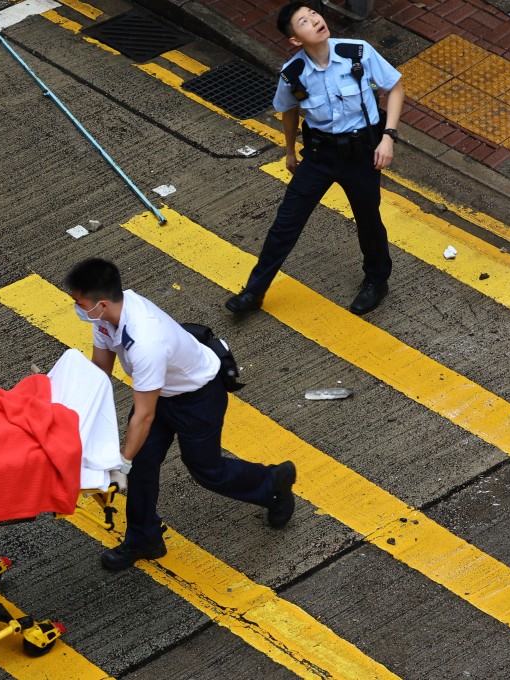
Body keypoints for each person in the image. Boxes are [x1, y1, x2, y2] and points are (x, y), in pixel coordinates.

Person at [66, 258, 297, 571]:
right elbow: (100, 372)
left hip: (197, 398)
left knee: (206, 470)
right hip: (160, 393)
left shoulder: (145, 341)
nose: (77, 307)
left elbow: (143, 416)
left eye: (79, 302)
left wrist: (120, 465)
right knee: (142, 466)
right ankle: (143, 537)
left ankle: (273, 483)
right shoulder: (107, 318)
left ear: (101, 302)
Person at [225, 2, 404, 316]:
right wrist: (290, 151)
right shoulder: (293, 73)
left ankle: (377, 280)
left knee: (368, 220)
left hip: (363, 153)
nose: (315, 21)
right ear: (296, 39)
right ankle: (254, 292)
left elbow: (396, 87)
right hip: (320, 155)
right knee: (286, 223)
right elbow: (289, 110)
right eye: (304, 22)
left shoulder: (357, 52)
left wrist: (388, 137)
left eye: (314, 14)